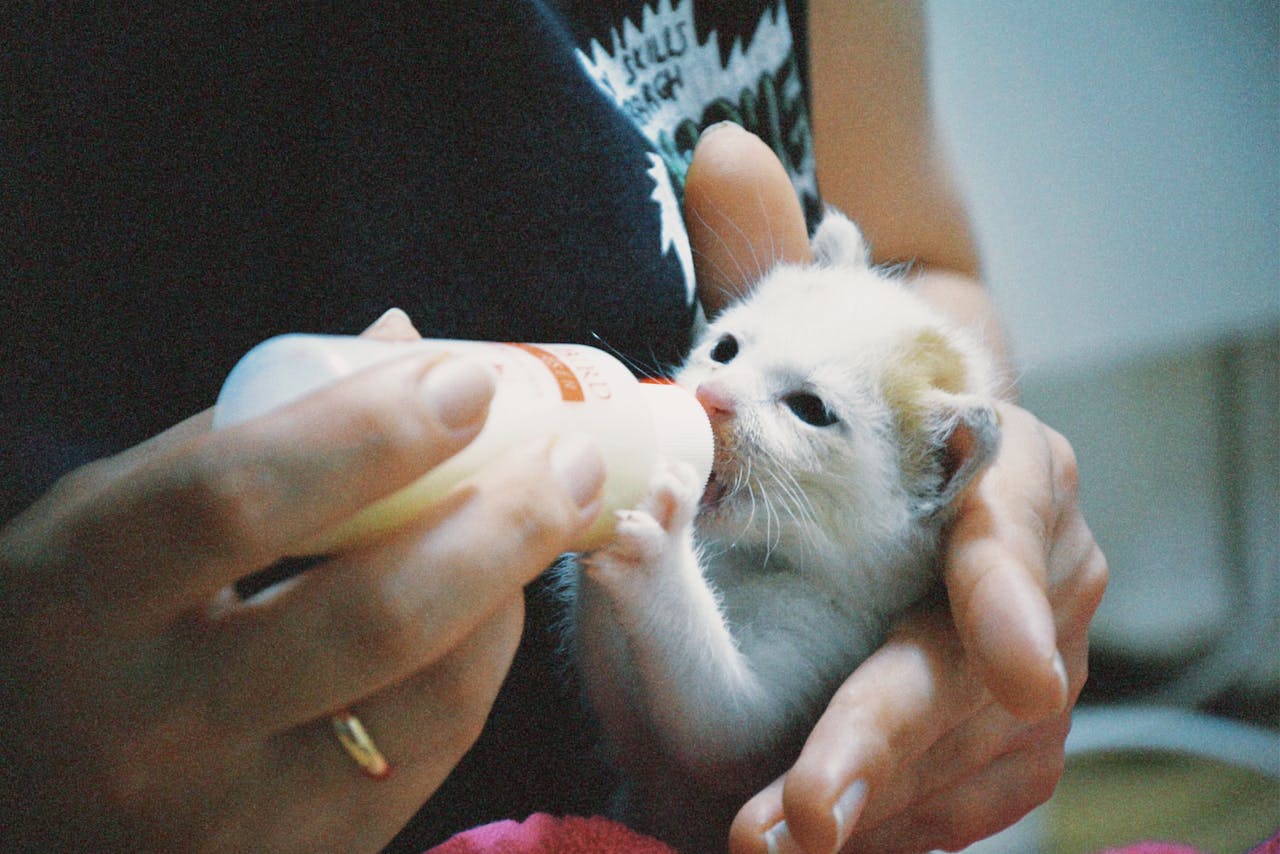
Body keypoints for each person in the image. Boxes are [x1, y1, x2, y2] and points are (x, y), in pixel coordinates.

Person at [1, 3, 1106, 852]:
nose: (712, 395)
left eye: (807, 410)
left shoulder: (844, 565)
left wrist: (994, 552)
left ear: (938, 468)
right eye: (721, 349)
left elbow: (929, 258)